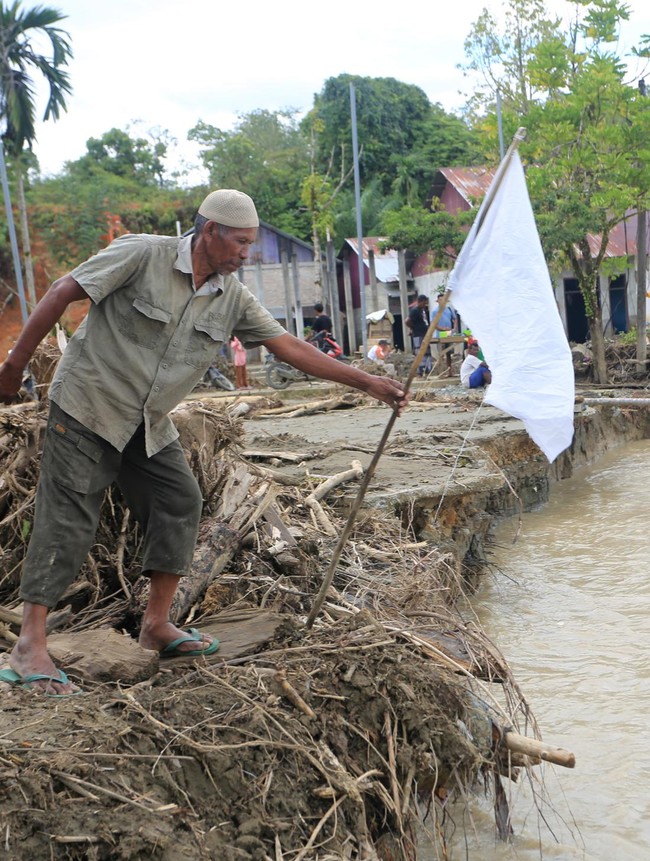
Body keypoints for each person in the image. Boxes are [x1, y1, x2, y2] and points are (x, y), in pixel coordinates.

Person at [0, 188, 409, 695]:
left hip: (146, 421)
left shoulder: (232, 296)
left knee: (179, 499)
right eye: (239, 243)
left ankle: (155, 625)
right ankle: (29, 645)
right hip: (87, 405)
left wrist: (365, 381)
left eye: (251, 244)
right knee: (68, 517)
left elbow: (288, 346)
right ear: (209, 231)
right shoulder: (141, 253)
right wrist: (14, 365)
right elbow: (64, 290)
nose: (246, 254)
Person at [432, 292, 457, 377]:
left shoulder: (449, 309)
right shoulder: (435, 311)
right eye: (440, 300)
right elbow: (434, 324)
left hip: (449, 334)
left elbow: (454, 319)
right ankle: (441, 373)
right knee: (440, 354)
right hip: (440, 334)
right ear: (437, 301)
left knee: (449, 353)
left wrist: (454, 328)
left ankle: (450, 372)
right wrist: (442, 329)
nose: (442, 301)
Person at [405, 294, 432, 376]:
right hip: (418, 334)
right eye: (424, 303)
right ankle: (420, 371)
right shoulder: (415, 311)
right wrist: (413, 328)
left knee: (426, 352)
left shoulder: (422, 310)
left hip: (424, 334)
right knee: (420, 352)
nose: (425, 305)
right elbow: (407, 321)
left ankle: (427, 370)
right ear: (420, 302)